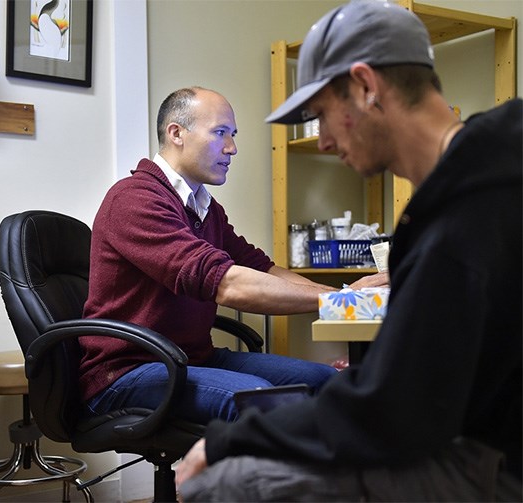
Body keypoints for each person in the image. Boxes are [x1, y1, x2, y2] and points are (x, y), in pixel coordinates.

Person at [175, 1, 522, 501]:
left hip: (499, 458)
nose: (322, 142)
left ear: (365, 87)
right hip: (480, 424)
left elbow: (393, 414)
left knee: (224, 481)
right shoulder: (487, 165)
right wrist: (339, 298)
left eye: (321, 117)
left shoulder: (457, 219)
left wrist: (231, 440)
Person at [78, 85, 387, 426]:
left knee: (325, 383)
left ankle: (342, 479)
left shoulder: (205, 208)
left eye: (233, 135)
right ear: (176, 133)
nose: (232, 148)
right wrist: (339, 299)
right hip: (127, 371)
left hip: (191, 358)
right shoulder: (135, 199)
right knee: (265, 401)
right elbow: (226, 284)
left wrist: (344, 296)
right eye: (220, 133)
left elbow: (260, 268)